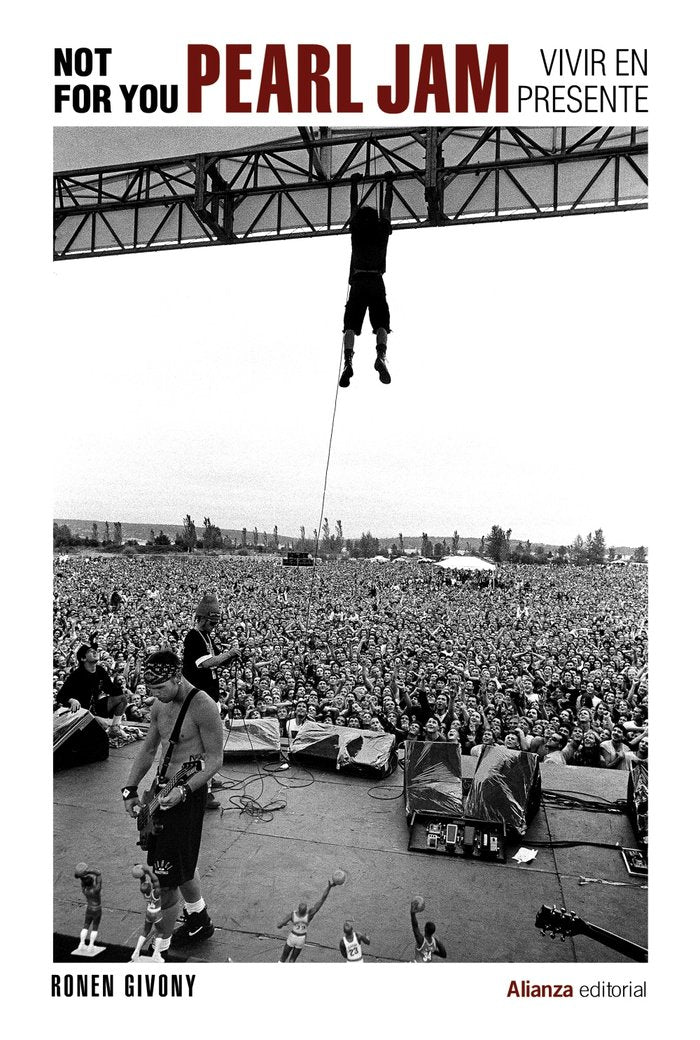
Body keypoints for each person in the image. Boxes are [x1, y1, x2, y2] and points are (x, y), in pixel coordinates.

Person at [122, 650, 224, 958]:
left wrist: (185, 792)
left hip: (186, 795)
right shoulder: (160, 704)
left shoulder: (203, 706)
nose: (154, 696)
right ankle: (199, 918)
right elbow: (149, 747)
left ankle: (159, 951)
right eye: (150, 690)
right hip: (160, 791)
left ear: (177, 678)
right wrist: (130, 788)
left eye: (159, 689)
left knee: (164, 881)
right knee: (181, 863)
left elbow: (215, 759)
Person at [182, 592, 239, 807]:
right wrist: (229, 654)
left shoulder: (207, 637)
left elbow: (213, 662)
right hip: (199, 697)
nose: (213, 627)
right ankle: (202, 793)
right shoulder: (193, 637)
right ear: (202, 619)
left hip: (209, 694)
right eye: (211, 623)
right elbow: (204, 664)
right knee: (204, 744)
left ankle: (206, 780)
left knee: (209, 743)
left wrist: (229, 658)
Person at [339, 171, 394, 388]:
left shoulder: (357, 229)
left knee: (350, 326)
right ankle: (381, 356)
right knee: (381, 323)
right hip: (376, 281)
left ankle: (348, 360)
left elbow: (353, 207)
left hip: (359, 280)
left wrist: (354, 184)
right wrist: (389, 184)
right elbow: (387, 208)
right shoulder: (381, 230)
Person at [58, 644, 126, 721]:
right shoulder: (77, 674)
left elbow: (110, 689)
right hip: (79, 712)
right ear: (83, 658)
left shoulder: (100, 670)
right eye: (90, 651)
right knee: (103, 725)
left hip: (95, 708)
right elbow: (60, 696)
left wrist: (120, 687)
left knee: (122, 699)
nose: (95, 652)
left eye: (95, 651)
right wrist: (72, 700)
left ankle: (115, 727)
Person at [277, 878, 338, 962]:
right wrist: (329, 887)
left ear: (298, 909)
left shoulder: (292, 915)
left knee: (284, 956)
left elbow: (279, 925)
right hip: (301, 939)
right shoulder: (309, 915)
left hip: (292, 937)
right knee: (292, 959)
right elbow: (322, 900)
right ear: (306, 910)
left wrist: (282, 925)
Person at [75, 864, 102, 951]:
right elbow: (99, 874)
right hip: (97, 910)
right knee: (95, 927)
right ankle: (91, 946)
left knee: (85, 925)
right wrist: (88, 871)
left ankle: (81, 944)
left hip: (89, 909)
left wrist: (81, 874)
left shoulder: (84, 889)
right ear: (92, 882)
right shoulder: (96, 889)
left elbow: (82, 880)